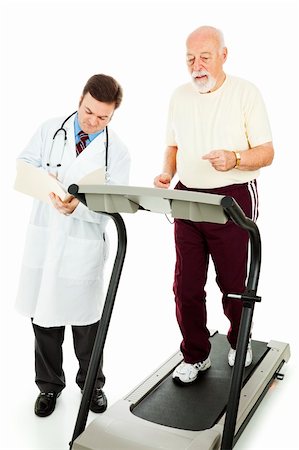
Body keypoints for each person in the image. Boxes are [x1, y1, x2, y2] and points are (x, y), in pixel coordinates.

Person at [154, 26, 274, 385]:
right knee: (186, 286)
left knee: (234, 283)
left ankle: (240, 339)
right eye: (190, 58)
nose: (197, 65)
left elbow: (267, 153)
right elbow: (173, 147)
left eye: (205, 56)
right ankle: (195, 354)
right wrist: (165, 172)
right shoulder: (178, 96)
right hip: (187, 197)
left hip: (232, 197)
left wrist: (235, 158)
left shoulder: (246, 93)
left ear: (224, 55)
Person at [15, 74, 131, 415]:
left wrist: (79, 207)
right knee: (44, 319)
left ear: (113, 115)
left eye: (103, 117)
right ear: (80, 99)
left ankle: (91, 385)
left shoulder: (118, 152)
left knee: (87, 323)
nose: (93, 122)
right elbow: (24, 164)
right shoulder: (51, 128)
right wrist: (44, 181)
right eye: (88, 112)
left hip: (83, 243)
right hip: (45, 235)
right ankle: (49, 387)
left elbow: (116, 204)